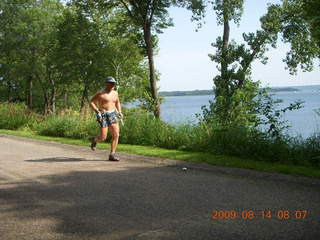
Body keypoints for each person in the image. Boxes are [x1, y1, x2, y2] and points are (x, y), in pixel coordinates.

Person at [89, 76, 123, 161]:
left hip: (112, 115)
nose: (112, 85)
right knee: (103, 137)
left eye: (114, 84)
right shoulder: (100, 93)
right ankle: (95, 140)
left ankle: (112, 154)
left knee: (116, 135)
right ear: (106, 84)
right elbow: (92, 102)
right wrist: (97, 111)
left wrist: (119, 112)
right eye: (111, 83)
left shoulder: (115, 93)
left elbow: (117, 102)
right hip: (103, 115)